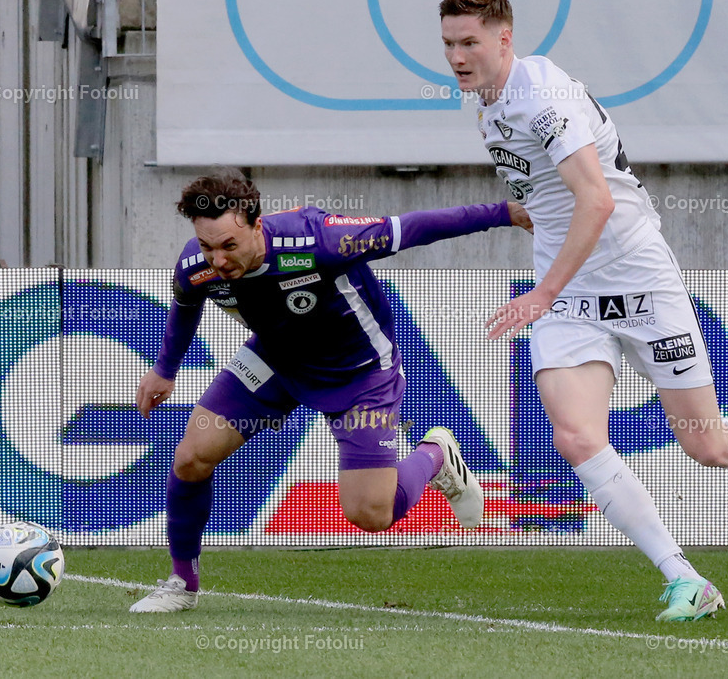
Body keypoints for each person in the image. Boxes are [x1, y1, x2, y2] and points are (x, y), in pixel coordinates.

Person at [438, 0, 728, 621]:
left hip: (635, 276)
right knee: (575, 434)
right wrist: (524, 222)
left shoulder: (543, 97)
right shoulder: (485, 102)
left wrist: (542, 292)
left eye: (470, 42)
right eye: (450, 43)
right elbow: (553, 195)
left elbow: (598, 200)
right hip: (568, 292)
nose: (457, 56)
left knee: (706, 444)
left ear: (504, 38)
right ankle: (685, 578)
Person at [129, 168, 532, 613]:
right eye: (207, 246)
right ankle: (182, 584)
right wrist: (165, 370)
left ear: (257, 226)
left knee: (371, 514)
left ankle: (435, 453)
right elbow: (187, 301)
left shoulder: (317, 239)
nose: (218, 259)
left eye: (229, 245)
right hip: (275, 361)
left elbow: (413, 227)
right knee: (190, 456)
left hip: (357, 374)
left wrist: (504, 212)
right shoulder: (197, 266)